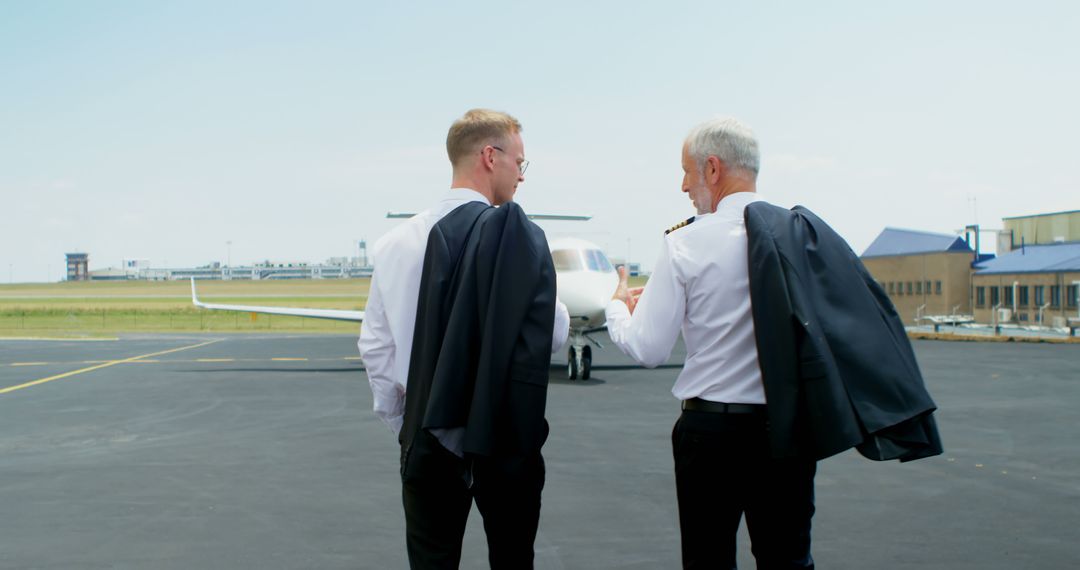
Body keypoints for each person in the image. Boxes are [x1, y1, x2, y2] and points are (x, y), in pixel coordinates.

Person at [607, 117, 941, 569]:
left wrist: (618, 309)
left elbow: (648, 349)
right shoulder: (801, 235)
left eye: (687, 171)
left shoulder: (685, 243)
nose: (683, 185)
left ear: (712, 168)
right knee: (788, 559)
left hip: (711, 436)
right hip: (787, 433)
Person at [358, 108, 569, 570]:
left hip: (426, 433)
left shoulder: (396, 242)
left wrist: (407, 427)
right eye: (520, 162)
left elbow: (375, 348)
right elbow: (552, 336)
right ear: (490, 157)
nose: (522, 175)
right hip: (506, 436)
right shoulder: (522, 239)